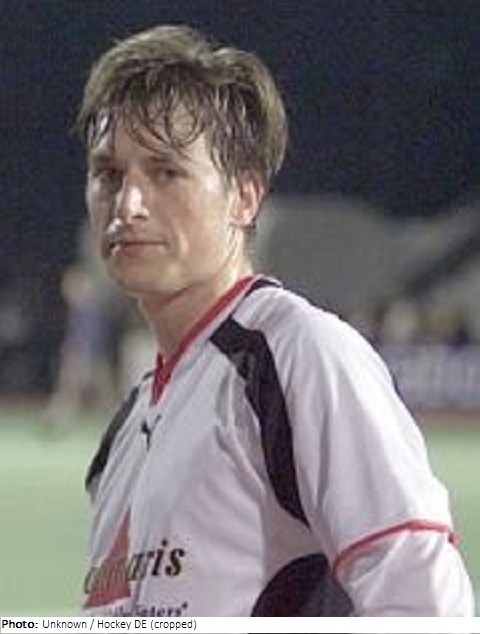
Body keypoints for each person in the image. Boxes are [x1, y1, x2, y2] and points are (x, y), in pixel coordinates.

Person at [76, 24, 474, 617]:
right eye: (109, 174)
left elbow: (426, 608)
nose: (127, 205)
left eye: (165, 172)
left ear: (244, 196)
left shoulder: (299, 355)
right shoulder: (129, 423)